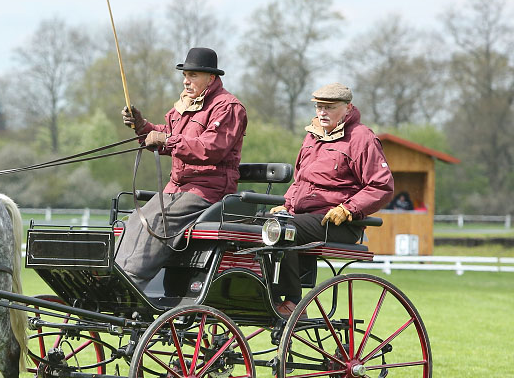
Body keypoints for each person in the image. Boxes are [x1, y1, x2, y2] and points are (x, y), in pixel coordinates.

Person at [116, 47, 248, 287]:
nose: (186, 81)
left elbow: (211, 148)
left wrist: (167, 140)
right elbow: (166, 136)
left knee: (158, 219)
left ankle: (129, 281)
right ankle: (112, 270)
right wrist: (142, 127)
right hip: (176, 188)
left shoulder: (228, 107)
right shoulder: (185, 106)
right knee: (137, 218)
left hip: (208, 191)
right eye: (185, 75)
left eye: (193, 76)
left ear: (211, 78)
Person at [270, 82, 394, 316]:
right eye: (318, 107)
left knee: (282, 228)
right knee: (254, 223)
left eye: (329, 107)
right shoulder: (312, 137)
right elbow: (300, 181)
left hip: (339, 223)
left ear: (348, 108)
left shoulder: (361, 137)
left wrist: (348, 209)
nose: (322, 112)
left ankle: (294, 302)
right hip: (302, 218)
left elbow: (381, 186)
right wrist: (286, 205)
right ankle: (267, 295)